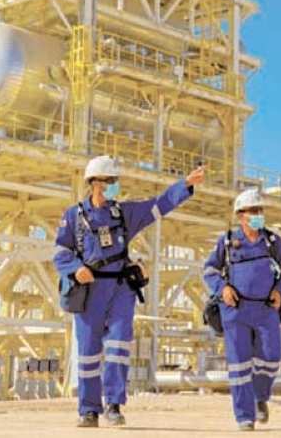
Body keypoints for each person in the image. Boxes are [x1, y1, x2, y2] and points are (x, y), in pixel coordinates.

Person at [53, 155, 207, 428]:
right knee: (88, 351)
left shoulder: (124, 213)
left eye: (115, 180)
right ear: (95, 183)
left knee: (118, 346)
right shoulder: (73, 216)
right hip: (89, 291)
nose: (114, 185)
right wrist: (75, 269)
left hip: (120, 289)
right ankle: (89, 410)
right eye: (109, 180)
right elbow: (60, 252)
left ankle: (114, 405)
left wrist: (184, 185)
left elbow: (158, 205)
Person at [202, 188, 281, 431]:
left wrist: (280, 291)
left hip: (266, 309)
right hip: (235, 311)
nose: (258, 214)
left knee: (272, 356)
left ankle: (260, 396)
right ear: (240, 214)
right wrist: (223, 288)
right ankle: (244, 416)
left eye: (260, 210)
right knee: (239, 364)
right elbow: (210, 270)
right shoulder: (227, 242)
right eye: (253, 210)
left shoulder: (272, 241)